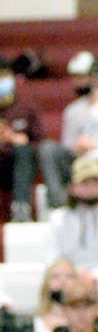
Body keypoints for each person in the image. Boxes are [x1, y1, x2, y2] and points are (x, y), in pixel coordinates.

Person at [37, 51, 98, 209]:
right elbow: (68, 147)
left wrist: (94, 145)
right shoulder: (72, 111)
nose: (77, 82)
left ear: (96, 76)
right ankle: (59, 203)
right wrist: (78, 148)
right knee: (48, 149)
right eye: (75, 77)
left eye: (81, 77)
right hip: (78, 162)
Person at [0, 56, 43, 222]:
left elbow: (40, 143)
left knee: (23, 150)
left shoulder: (26, 108)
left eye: (4, 77)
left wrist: (17, 139)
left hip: (18, 165)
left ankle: (21, 207)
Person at [33, 259, 78, 332]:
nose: (63, 281)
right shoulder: (36, 322)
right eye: (55, 276)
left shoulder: (84, 320)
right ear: (46, 283)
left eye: (69, 276)